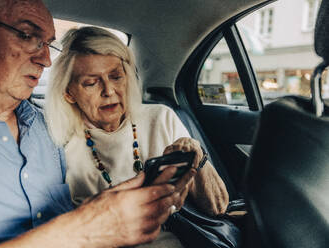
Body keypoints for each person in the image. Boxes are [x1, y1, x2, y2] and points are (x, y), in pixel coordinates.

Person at [0, 0, 195, 247]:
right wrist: (87, 226)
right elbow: (80, 228)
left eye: (48, 44)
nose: (46, 59)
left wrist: (107, 211)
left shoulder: (47, 132)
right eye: (27, 36)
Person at [45, 26, 229, 246]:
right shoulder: (59, 142)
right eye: (91, 82)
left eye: (116, 77)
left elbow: (218, 207)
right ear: (68, 93)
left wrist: (196, 154)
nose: (109, 91)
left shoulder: (161, 118)